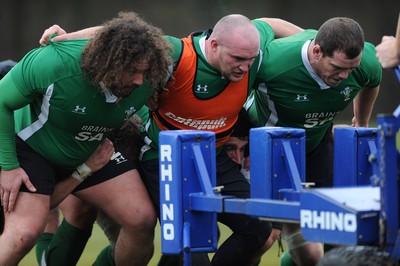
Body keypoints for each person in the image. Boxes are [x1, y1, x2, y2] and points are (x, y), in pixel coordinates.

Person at [38, 14, 303, 265]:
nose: (245, 67)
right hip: (163, 159)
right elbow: (117, 34)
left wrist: (313, 40)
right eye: (237, 59)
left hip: (214, 157)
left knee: (259, 228)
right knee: (190, 242)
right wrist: (66, 36)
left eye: (250, 59)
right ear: (213, 45)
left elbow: (272, 23)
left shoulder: (250, 48)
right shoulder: (178, 53)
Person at [0, 11, 171, 266]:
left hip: (93, 148)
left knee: (141, 220)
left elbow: (188, 43)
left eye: (145, 73)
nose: (139, 81)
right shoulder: (54, 64)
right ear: (109, 62)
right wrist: (9, 166)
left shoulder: (149, 73)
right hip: (32, 148)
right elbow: (1, 101)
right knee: (24, 233)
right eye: (133, 71)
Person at [244, 17, 382, 265]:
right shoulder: (273, 63)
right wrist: (241, 142)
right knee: (266, 235)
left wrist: (360, 120)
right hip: (271, 150)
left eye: (351, 68)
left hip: (316, 145)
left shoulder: (365, 63)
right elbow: (235, 87)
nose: (345, 75)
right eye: (337, 68)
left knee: (338, 226)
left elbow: (372, 81)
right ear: (317, 51)